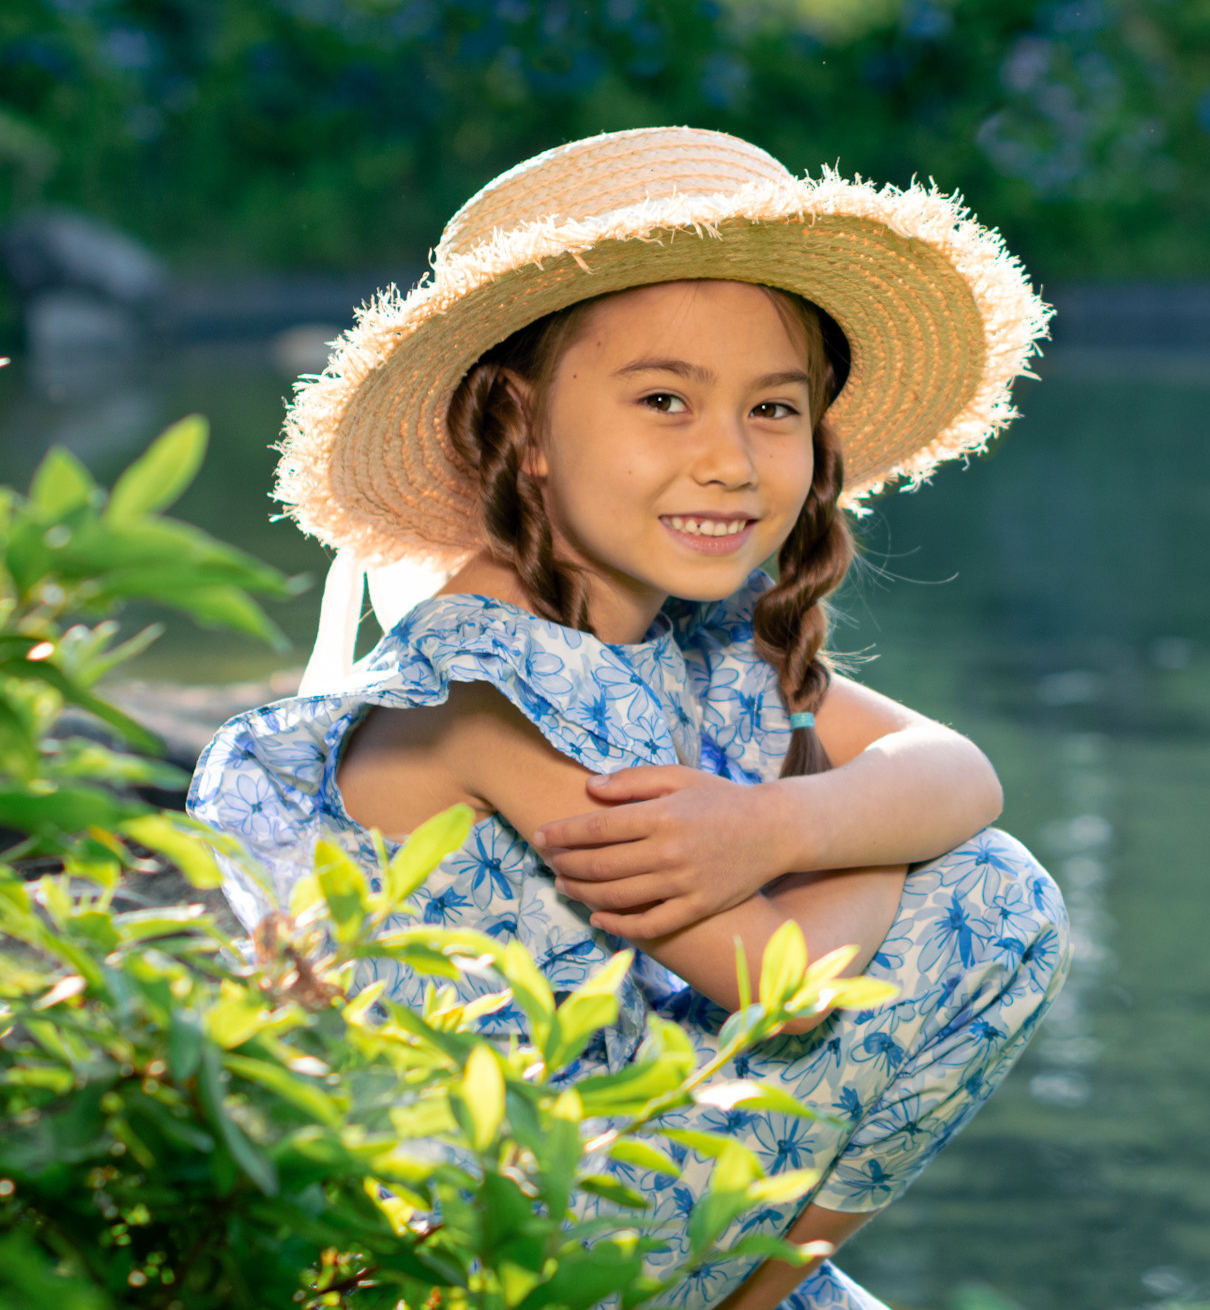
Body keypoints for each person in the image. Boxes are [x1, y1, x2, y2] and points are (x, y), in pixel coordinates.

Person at [189, 127, 1064, 1310]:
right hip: (478, 1241)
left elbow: (960, 770)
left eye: (772, 408)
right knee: (994, 901)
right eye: (664, 399)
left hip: (608, 1181)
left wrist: (783, 833)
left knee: (982, 871)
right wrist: (873, 848)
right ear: (523, 426)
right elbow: (785, 981)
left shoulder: (690, 643)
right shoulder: (483, 697)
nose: (731, 462)